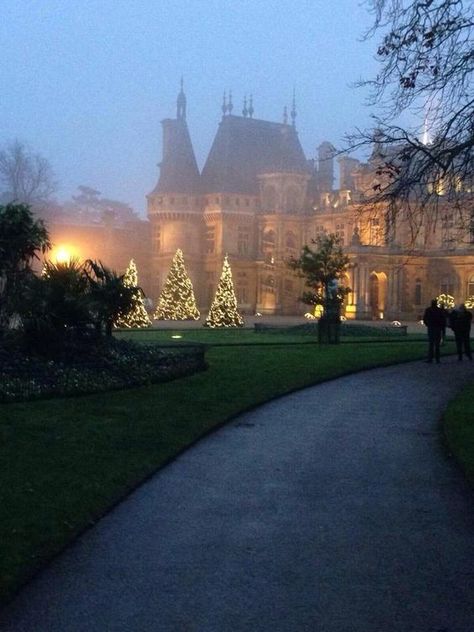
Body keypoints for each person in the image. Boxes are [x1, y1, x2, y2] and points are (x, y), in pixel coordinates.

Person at [423, 299, 446, 363]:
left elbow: (425, 319)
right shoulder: (439, 310)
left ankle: (430, 359)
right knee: (437, 345)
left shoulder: (428, 310)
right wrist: (441, 327)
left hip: (431, 328)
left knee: (431, 344)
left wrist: (428, 325)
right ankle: (437, 359)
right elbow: (443, 320)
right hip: (437, 328)